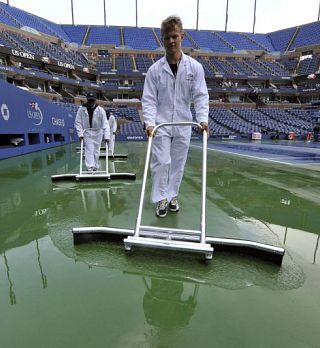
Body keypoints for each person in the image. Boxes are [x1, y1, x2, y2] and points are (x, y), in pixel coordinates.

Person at [142, 15, 209, 218]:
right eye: (166, 38)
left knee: (178, 163)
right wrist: (149, 123)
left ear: (182, 36)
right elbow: (149, 99)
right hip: (161, 125)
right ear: (162, 40)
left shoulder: (195, 68)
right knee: (161, 162)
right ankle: (161, 198)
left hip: (183, 123)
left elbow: (200, 95)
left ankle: (172, 196)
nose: (171, 41)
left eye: (174, 36)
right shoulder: (155, 70)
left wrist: (203, 119)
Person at [74, 91, 110, 172]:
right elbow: (78, 122)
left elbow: (105, 124)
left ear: (95, 100)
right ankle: (90, 167)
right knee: (89, 149)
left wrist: (107, 136)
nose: (91, 102)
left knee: (96, 151)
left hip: (98, 132)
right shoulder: (81, 109)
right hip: (87, 132)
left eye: (92, 100)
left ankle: (95, 166)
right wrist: (80, 134)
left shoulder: (101, 110)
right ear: (87, 99)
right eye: (89, 100)